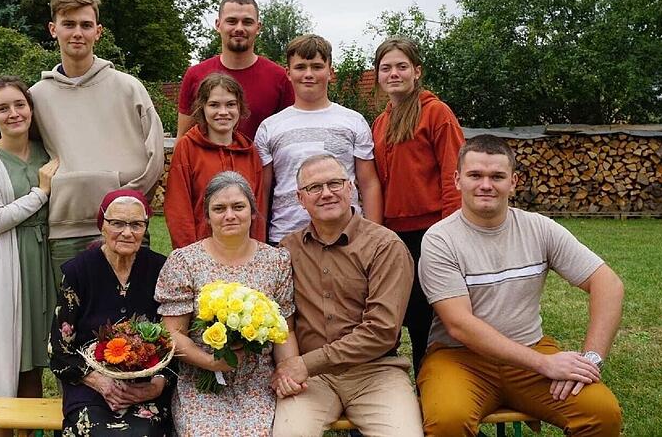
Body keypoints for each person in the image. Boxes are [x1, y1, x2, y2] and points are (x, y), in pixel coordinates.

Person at [418, 135, 623, 436]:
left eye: (497, 176)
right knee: (447, 421)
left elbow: (608, 282)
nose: (486, 185)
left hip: (530, 351)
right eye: (475, 175)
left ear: (513, 182)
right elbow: (459, 325)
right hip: (460, 358)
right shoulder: (440, 240)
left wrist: (591, 358)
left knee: (602, 414)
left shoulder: (538, 228)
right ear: (457, 180)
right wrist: (544, 364)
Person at [0, 0, 165, 287]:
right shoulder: (36, 98)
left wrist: (126, 201)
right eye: (69, 24)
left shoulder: (128, 88)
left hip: (124, 226)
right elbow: (15, 156)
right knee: (71, 324)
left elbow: (155, 154)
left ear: (98, 31)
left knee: (133, 321)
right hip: (63, 230)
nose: (78, 33)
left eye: (86, 25)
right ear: (53, 29)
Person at [272, 154, 422, 436]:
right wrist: (292, 367)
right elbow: (281, 321)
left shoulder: (385, 246)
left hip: (375, 373)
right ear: (300, 198)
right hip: (312, 381)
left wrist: (304, 364)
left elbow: (382, 331)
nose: (326, 193)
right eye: (314, 188)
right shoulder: (287, 250)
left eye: (335, 183)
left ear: (350, 187)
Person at [155, 171, 299, 436]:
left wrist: (288, 371)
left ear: (253, 212)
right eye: (219, 208)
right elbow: (172, 334)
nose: (229, 215)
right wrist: (212, 363)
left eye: (238, 207)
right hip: (201, 381)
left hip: (257, 381)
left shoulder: (276, 261)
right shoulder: (185, 262)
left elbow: (285, 330)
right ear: (207, 216)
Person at [0, 76, 59, 436]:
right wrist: (41, 192)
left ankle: (31, 430)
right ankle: (5, 430)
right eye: (2, 108)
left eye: (19, 105)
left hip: (45, 262)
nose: (13, 113)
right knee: (9, 360)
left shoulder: (48, 152)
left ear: (31, 109)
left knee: (35, 359)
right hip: (7, 265)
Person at [371, 36, 465, 376]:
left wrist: (451, 232)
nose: (394, 73)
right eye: (386, 68)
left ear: (416, 71)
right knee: (394, 312)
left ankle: (432, 394)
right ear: (378, 75)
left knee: (428, 318)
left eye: (401, 66)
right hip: (393, 234)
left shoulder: (436, 113)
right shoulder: (380, 123)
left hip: (431, 232)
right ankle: (386, 392)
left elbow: (453, 174)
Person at [50, 190, 174, 436]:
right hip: (91, 386)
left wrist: (157, 386)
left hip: (146, 387)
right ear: (102, 226)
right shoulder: (78, 272)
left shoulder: (162, 269)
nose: (127, 232)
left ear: (145, 228)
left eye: (136, 224)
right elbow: (59, 351)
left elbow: (175, 341)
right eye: (117, 223)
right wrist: (100, 382)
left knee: (144, 432)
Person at [255, 34, 382, 245]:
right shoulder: (270, 127)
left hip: (347, 238)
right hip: (287, 238)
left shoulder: (353, 121)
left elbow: (369, 184)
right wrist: (258, 243)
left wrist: (375, 237)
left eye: (316, 66)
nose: (308, 74)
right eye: (300, 67)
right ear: (288, 73)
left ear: (330, 72)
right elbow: (263, 191)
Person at [164, 73, 265, 249]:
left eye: (231, 104)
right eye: (214, 105)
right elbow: (179, 209)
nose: (223, 112)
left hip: (243, 252)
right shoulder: (187, 148)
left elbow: (258, 209)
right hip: (202, 252)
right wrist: (190, 256)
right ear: (202, 108)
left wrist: (257, 251)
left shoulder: (249, 152)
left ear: (240, 107)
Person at [176, 0, 294, 141]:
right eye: (231, 21)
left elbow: (288, 139)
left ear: (258, 27)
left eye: (247, 22)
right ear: (218, 25)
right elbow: (183, 138)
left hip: (261, 164)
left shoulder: (280, 78)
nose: (239, 28)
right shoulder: (195, 75)